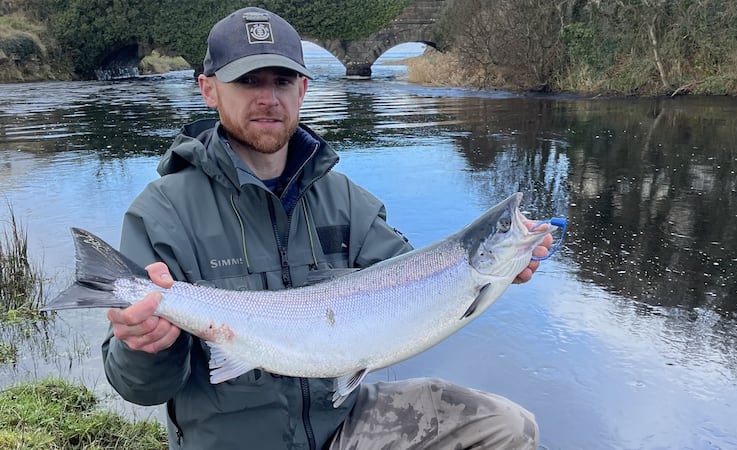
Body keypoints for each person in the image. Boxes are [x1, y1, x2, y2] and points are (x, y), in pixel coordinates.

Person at [101, 6, 552, 449]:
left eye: (281, 81)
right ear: (208, 90)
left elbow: (416, 284)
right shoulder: (162, 212)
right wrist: (143, 345)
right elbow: (139, 389)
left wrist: (503, 266)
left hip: (342, 426)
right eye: (247, 81)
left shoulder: (346, 200)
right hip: (236, 440)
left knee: (506, 427)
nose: (268, 98)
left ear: (302, 88)